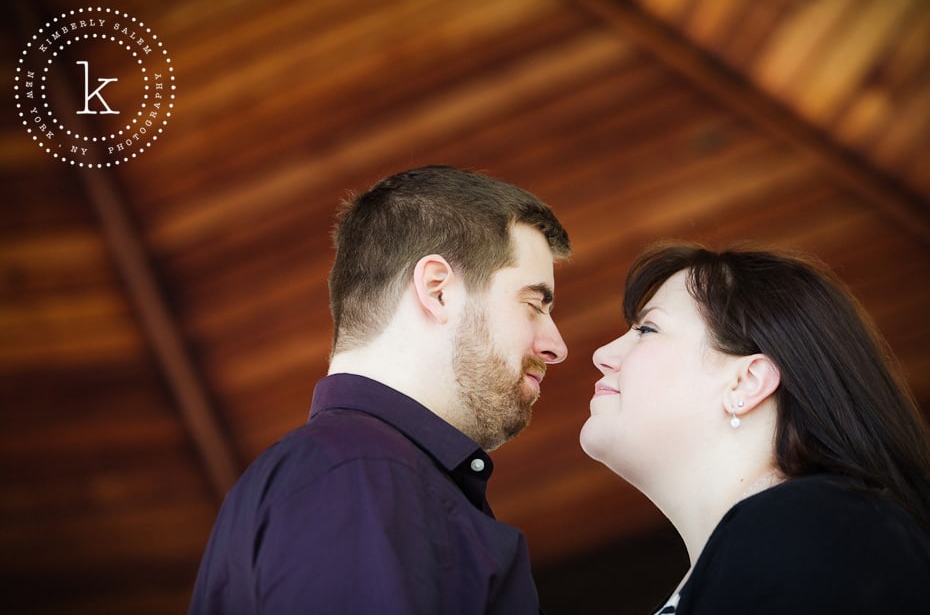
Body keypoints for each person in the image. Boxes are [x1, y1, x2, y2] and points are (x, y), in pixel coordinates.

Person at [189, 165, 571, 614]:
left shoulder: (346, 473)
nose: (556, 346)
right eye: (532, 304)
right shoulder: (361, 475)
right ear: (438, 290)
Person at [580, 242, 930, 614]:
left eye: (647, 329)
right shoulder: (803, 539)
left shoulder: (816, 529)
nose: (602, 355)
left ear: (746, 382)